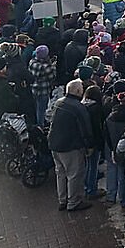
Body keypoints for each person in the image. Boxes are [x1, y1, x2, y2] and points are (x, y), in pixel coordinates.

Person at [48, 79, 93, 212]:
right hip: (70, 146)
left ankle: (62, 200)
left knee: (60, 173)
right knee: (74, 174)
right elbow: (86, 129)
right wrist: (89, 145)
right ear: (79, 91)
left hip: (54, 144)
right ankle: (73, 202)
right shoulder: (79, 107)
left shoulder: (58, 102)